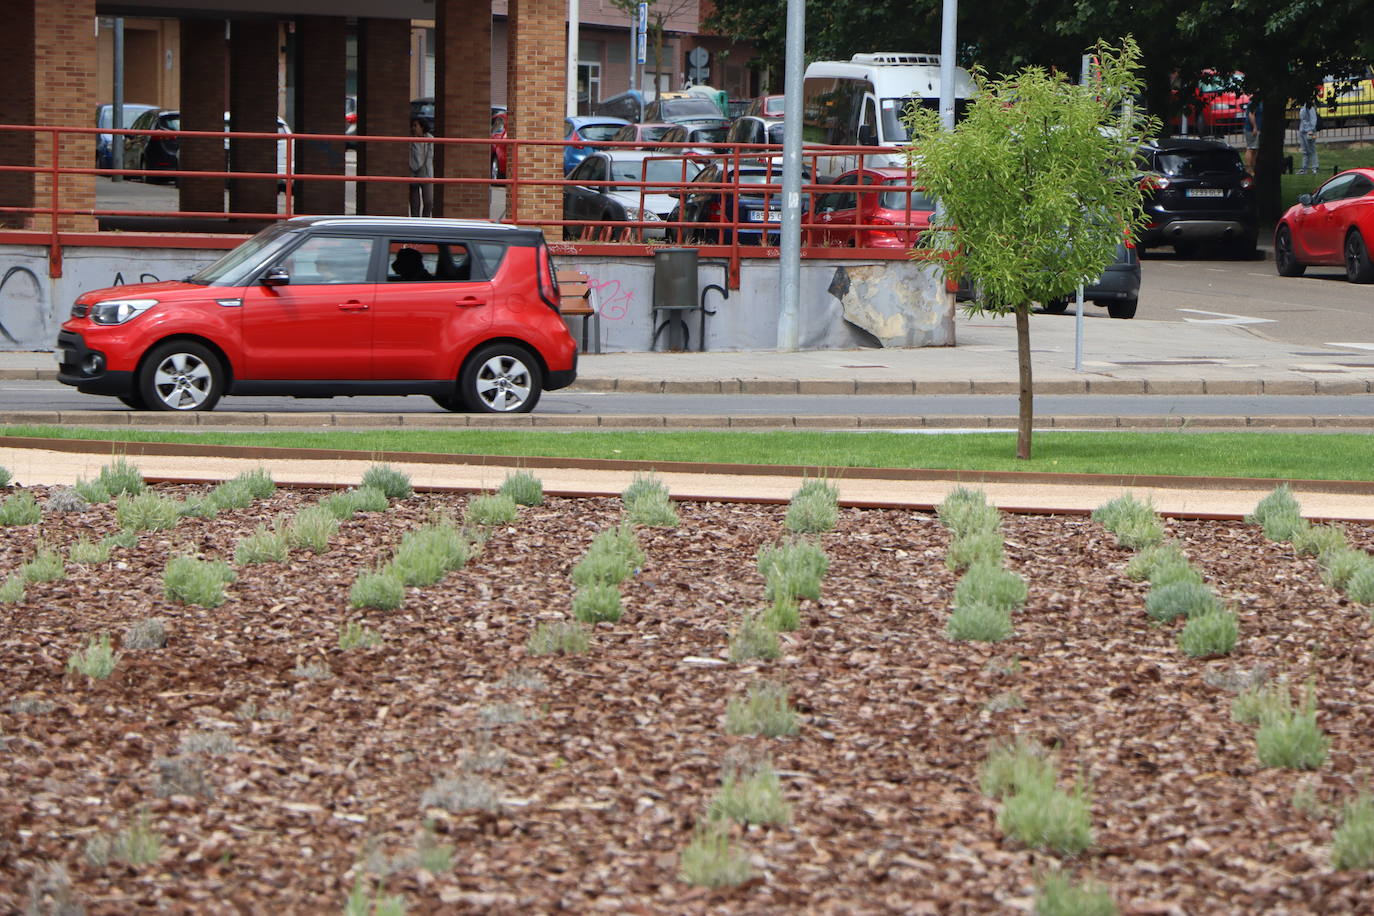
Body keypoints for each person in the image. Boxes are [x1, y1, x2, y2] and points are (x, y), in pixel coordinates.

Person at [409, 117, 434, 218]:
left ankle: (426, 220)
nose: (414, 128)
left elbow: (430, 156)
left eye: (416, 126)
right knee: (415, 203)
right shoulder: (410, 139)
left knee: (428, 201)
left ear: (422, 127)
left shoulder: (430, 139)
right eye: (413, 126)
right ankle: (415, 222)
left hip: (426, 173)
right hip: (413, 172)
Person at [1297, 101, 1319, 174]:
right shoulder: (1302, 106)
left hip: (1310, 131)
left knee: (1312, 149)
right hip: (1302, 131)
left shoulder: (1309, 106)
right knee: (1305, 151)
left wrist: (1311, 130)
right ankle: (1304, 168)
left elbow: (1313, 119)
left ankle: (1314, 167)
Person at [1243, 99, 1261, 174]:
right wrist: (1255, 127)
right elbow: (1251, 114)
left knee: (1255, 149)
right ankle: (1248, 169)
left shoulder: (1261, 102)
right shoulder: (1254, 102)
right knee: (1251, 148)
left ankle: (1253, 169)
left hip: (1257, 129)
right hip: (1251, 130)